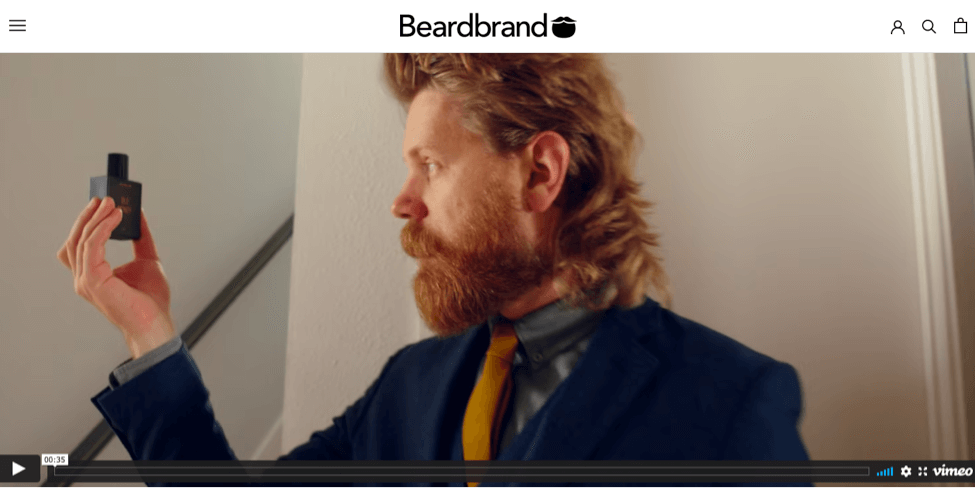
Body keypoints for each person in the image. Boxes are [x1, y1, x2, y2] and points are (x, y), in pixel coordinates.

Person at [56, 54, 811, 487]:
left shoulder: (730, 400)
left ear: (540, 173)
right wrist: (151, 336)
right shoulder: (408, 384)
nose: (402, 200)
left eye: (431, 164)